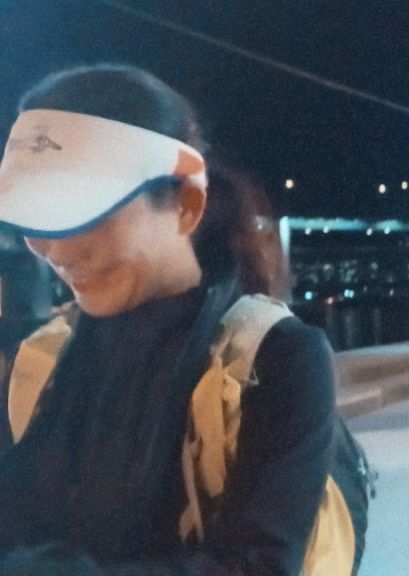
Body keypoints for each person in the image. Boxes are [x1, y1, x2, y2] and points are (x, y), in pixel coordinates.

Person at [0, 64, 362, 575]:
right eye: (33, 215)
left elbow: (259, 565)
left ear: (187, 202)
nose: (50, 247)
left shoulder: (276, 359)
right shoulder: (39, 361)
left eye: (80, 212)